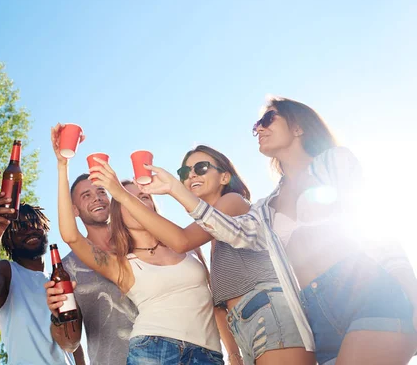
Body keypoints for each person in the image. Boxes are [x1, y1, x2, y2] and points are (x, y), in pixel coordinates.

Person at [139, 96, 417, 364]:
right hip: (314, 315)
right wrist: (175, 189)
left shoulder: (334, 162)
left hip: (366, 290)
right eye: (256, 125)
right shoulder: (266, 206)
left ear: (298, 126)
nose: (259, 127)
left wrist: (412, 296)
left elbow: (372, 229)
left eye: (268, 118)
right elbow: (233, 231)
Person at [98, 145, 314, 365]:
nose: (191, 174)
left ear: (224, 177)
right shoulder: (211, 230)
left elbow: (181, 240)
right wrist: (233, 352)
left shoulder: (232, 201)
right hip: (245, 323)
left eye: (200, 167)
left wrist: (125, 195)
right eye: (185, 172)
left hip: (267, 310)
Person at [53, 132, 223, 364]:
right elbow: (71, 236)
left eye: (143, 197)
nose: (138, 204)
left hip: (208, 353)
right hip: (152, 351)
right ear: (118, 213)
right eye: (127, 201)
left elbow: (217, 217)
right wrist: (63, 165)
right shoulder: (122, 264)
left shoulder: (187, 243)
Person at [46, 124, 138, 364]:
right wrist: (59, 317)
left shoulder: (138, 242)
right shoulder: (66, 269)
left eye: (100, 191)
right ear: (73, 210)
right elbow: (69, 343)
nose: (96, 197)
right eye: (86, 195)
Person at [0, 195, 75, 364]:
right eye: (19, 227)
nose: (29, 229)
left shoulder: (58, 280)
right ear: (9, 241)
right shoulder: (7, 270)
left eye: (34, 224)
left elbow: (73, 340)